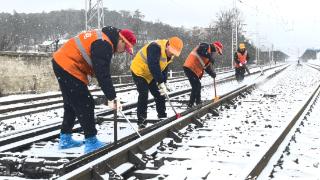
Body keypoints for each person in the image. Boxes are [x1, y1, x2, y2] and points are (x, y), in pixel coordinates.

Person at [52, 26, 137, 153]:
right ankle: (91, 142)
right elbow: (102, 74)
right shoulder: (104, 44)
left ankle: (65, 139)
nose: (123, 51)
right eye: (125, 48)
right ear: (121, 40)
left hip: (61, 62)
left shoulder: (104, 39)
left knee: (71, 103)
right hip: (69, 66)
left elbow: (99, 70)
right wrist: (112, 98)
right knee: (86, 103)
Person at [130, 37, 183, 129]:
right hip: (139, 71)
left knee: (160, 94)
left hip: (151, 74)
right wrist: (160, 81)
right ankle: (141, 121)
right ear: (168, 45)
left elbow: (164, 68)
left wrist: (164, 83)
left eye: (174, 53)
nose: (172, 54)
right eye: (172, 51)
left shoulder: (170, 54)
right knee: (143, 94)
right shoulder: (155, 47)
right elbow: (153, 65)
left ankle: (162, 116)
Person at [183, 41, 223, 108]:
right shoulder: (206, 45)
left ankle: (198, 102)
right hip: (190, 67)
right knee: (196, 86)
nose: (216, 53)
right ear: (216, 47)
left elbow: (206, 67)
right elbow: (200, 51)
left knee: (197, 85)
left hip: (194, 69)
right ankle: (191, 104)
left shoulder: (209, 55)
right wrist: (209, 56)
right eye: (217, 51)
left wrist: (212, 73)